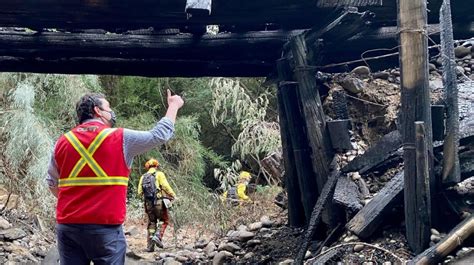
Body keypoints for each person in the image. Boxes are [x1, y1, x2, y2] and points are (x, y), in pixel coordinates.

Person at [46, 89, 183, 265]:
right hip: (105, 231)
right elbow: (159, 135)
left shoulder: (62, 142)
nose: (111, 112)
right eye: (108, 107)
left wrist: (76, 203)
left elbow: (51, 183)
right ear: (97, 110)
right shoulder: (121, 138)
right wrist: (173, 106)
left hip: (68, 228)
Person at [137, 158, 176, 252]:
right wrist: (173, 195)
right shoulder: (159, 174)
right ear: (156, 166)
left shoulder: (143, 176)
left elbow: (139, 192)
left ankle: (150, 246)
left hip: (148, 204)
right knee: (164, 220)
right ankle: (158, 236)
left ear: (147, 167)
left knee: (152, 223)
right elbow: (166, 186)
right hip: (158, 202)